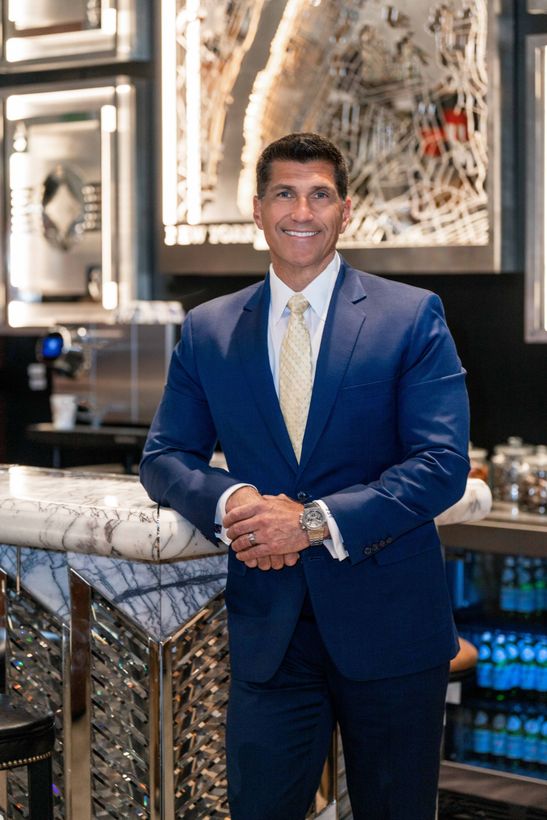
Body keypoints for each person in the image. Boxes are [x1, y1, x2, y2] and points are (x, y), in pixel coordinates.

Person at [140, 132, 470, 820]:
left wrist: (312, 521)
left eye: (319, 194)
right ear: (256, 211)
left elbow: (440, 465)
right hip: (270, 631)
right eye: (284, 194)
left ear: (344, 211)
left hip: (390, 628)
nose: (302, 210)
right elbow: (165, 455)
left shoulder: (409, 317)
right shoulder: (209, 328)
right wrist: (235, 500)